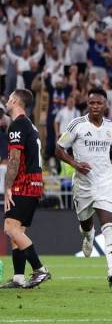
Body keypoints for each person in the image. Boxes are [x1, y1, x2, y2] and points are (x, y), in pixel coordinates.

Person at [55, 88, 112, 287]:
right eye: (92, 103)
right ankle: (88, 236)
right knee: (86, 224)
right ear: (87, 104)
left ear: (105, 105)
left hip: (105, 181)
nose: (95, 106)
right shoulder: (77, 125)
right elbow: (59, 149)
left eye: (99, 103)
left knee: (109, 226)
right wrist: (75, 164)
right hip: (83, 184)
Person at [1, 89, 50, 289]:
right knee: (18, 231)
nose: (6, 101)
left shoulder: (18, 125)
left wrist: (8, 187)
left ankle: (40, 270)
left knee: (10, 228)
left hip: (24, 183)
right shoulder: (30, 125)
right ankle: (18, 277)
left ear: (14, 100)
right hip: (35, 182)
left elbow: (14, 159)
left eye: (9, 98)